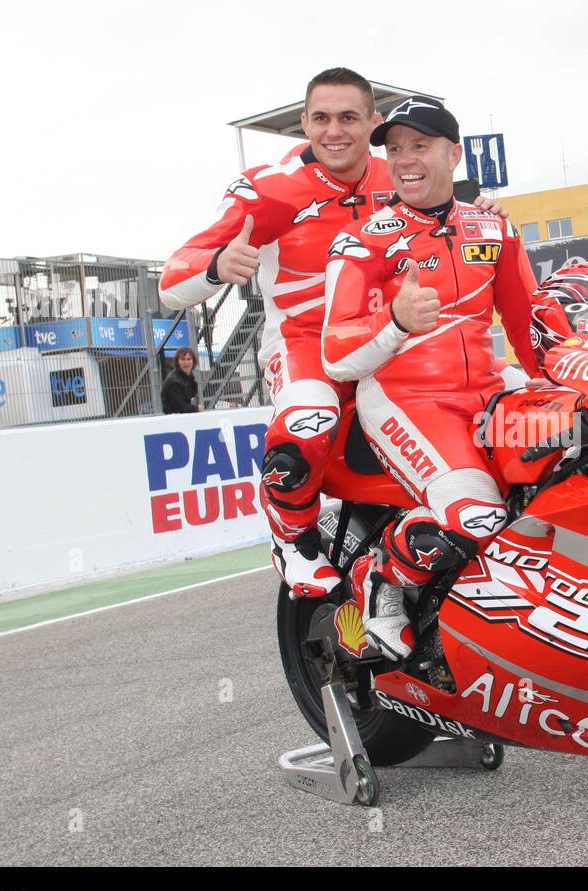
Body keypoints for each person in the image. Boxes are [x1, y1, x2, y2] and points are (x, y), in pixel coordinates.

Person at [159, 67, 506, 599]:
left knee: (517, 407)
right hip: (305, 343)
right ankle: (292, 537)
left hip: (397, 343)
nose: (334, 131)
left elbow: (454, 222)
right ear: (304, 123)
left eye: (348, 117)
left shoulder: (402, 172)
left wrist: (484, 210)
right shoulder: (267, 189)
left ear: (372, 121)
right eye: (321, 118)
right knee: (309, 416)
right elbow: (169, 282)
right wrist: (215, 265)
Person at [322, 96, 572, 660]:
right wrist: (394, 320)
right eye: (394, 149)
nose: (405, 160)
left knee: (581, 462)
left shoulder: (493, 225)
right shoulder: (363, 240)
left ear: (454, 154)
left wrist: (571, 377)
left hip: (488, 389)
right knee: (476, 516)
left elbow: (527, 321)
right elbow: (335, 353)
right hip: (406, 398)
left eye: (420, 145)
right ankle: (379, 576)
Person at [161, 347, 201, 414]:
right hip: (174, 417)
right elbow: (181, 408)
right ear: (177, 362)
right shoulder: (174, 382)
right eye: (183, 359)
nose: (186, 362)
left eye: (189, 359)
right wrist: (197, 408)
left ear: (193, 361)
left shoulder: (188, 377)